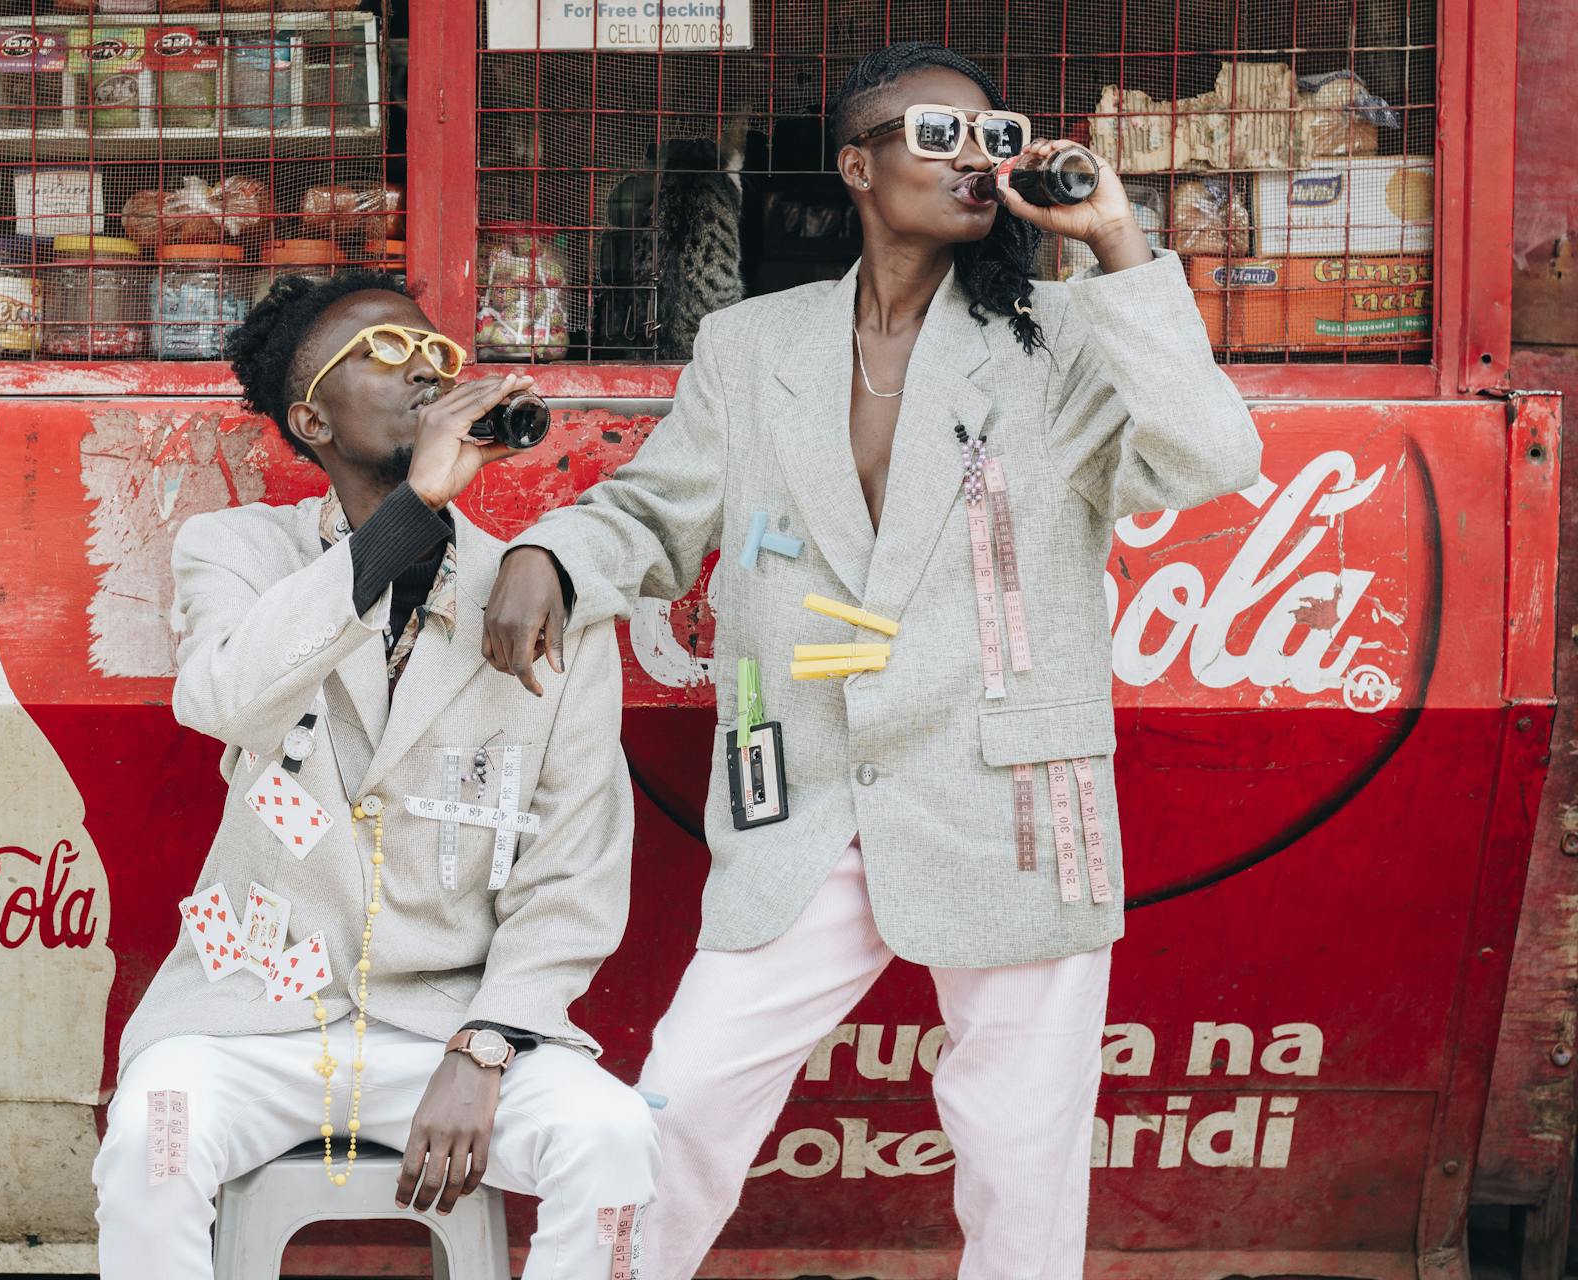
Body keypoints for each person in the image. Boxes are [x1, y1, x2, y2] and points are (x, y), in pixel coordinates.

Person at [482, 43, 1262, 1280]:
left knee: (1019, 1145)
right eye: (934, 135)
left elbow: (1215, 458)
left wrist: (1119, 247)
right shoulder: (751, 343)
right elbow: (653, 512)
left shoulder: (1059, 333)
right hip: (800, 784)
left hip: (1013, 790)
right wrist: (556, 556)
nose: (971, 158)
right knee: (680, 1104)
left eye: (989, 135)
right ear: (858, 166)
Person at [94, 271, 659, 1280]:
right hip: (249, 1015)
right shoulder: (238, 550)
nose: (425, 374)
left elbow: (575, 870)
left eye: (436, 354)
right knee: (152, 1137)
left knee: (612, 1136)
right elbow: (225, 694)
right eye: (384, 356)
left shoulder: (542, 594)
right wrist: (414, 505)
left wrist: (487, 1045)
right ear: (310, 417)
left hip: (451, 1027)